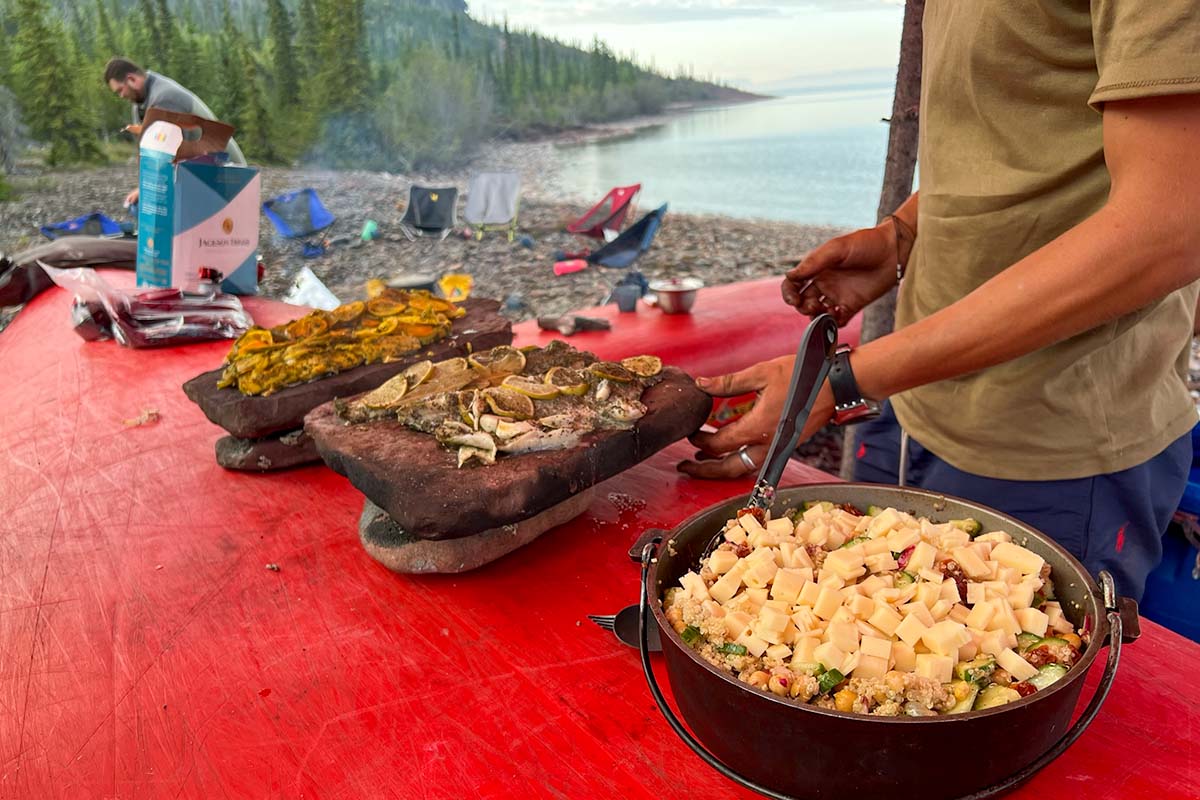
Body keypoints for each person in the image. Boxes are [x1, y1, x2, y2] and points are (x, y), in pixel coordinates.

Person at [678, 4, 1200, 602]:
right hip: (916, 403)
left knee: (1003, 684)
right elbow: (1020, 135)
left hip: (1054, 450)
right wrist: (901, 235)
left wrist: (843, 380)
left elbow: (1169, 229)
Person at [103, 57, 246, 207]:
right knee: (143, 205)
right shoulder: (141, 104)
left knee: (153, 206)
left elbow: (169, 156)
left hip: (228, 176)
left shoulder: (165, 99)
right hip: (200, 172)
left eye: (120, 90)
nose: (121, 96)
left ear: (131, 79)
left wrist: (147, 189)